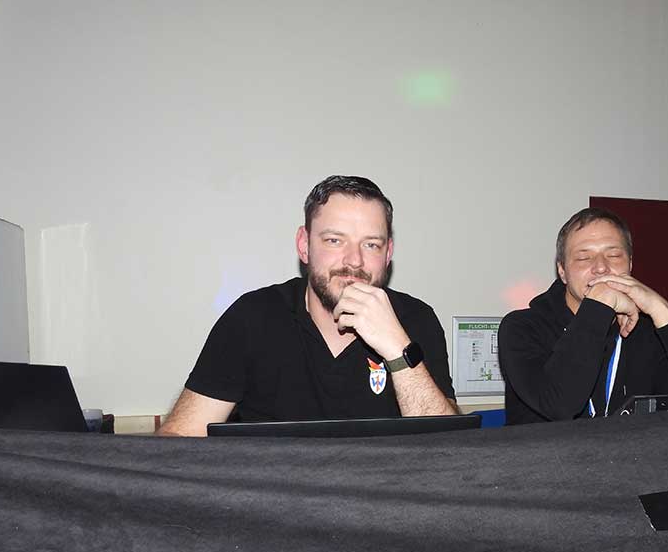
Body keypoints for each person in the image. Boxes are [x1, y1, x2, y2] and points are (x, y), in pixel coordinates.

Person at [157, 175, 457, 436]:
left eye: (371, 245)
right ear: (304, 245)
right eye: (334, 240)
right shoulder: (252, 318)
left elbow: (451, 450)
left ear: (388, 253)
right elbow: (178, 439)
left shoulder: (417, 319)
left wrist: (397, 349)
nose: (354, 261)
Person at [498, 207, 668, 425]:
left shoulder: (646, 332)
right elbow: (559, 406)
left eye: (613, 255)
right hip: (546, 457)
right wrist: (598, 306)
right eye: (584, 257)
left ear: (630, 265)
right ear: (562, 271)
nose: (601, 267)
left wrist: (660, 309)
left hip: (636, 456)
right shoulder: (522, 327)